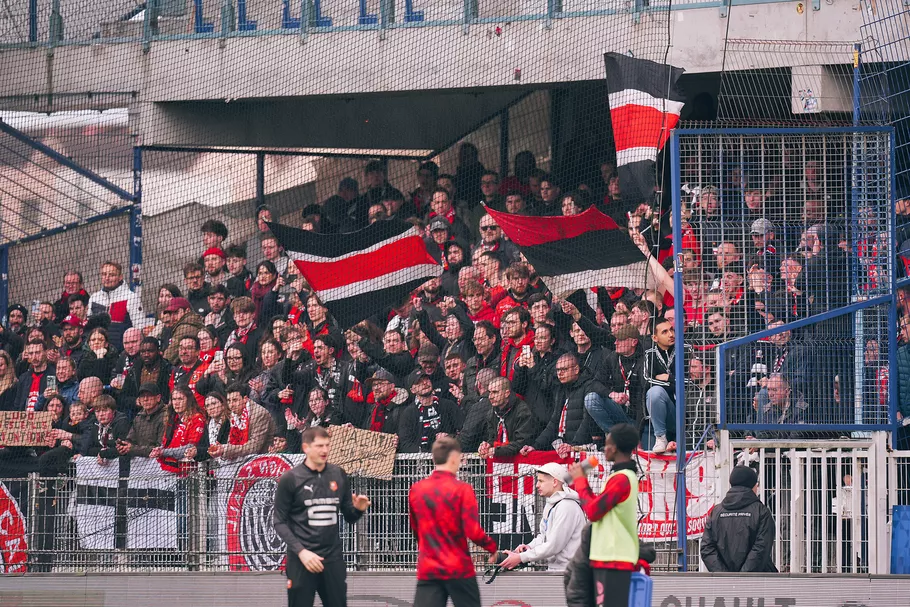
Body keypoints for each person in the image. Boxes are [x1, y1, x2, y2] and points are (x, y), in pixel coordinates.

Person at [273, 426, 371, 607]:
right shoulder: (290, 478)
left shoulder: (338, 474)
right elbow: (279, 521)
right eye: (319, 446)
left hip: (332, 559)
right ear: (306, 448)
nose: (325, 450)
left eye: (327, 445)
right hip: (302, 561)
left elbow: (349, 516)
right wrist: (301, 552)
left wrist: (358, 509)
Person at [408, 436, 498, 607]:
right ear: (455, 458)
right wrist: (491, 548)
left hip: (429, 567)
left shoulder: (417, 489)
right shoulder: (463, 489)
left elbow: (415, 528)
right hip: (458, 567)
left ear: (434, 458)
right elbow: (472, 530)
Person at [567, 423, 640, 607]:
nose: (604, 449)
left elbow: (593, 512)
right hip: (608, 557)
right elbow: (596, 507)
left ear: (614, 448)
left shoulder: (622, 479)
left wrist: (581, 481)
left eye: (606, 444)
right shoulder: (619, 477)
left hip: (615, 558)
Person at [497, 462, 586, 572]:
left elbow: (553, 545)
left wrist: (521, 558)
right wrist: (529, 547)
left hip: (571, 572)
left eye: (541, 481)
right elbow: (543, 537)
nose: (537, 485)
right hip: (560, 570)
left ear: (554, 482)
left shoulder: (566, 506)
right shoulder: (552, 504)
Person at [701, 466, 776, 572]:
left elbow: (707, 548)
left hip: (724, 583)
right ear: (753, 486)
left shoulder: (716, 512)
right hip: (757, 581)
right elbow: (761, 548)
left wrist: (724, 576)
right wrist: (743, 576)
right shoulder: (761, 512)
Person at [87, 261, 149, 348]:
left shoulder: (130, 297)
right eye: (104, 274)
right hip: (97, 351)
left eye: (111, 275)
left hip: (121, 351)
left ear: (120, 277)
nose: (107, 278)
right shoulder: (94, 298)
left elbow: (139, 328)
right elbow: (89, 327)